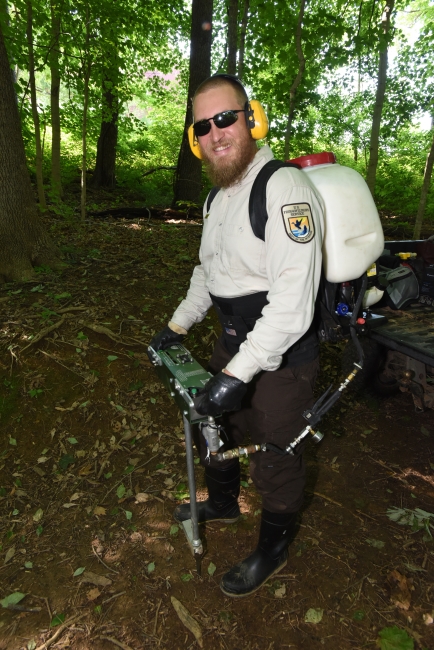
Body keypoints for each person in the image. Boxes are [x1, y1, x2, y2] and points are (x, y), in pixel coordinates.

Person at [149, 74, 324, 598]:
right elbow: (208, 273)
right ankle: (223, 504)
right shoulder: (215, 198)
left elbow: (292, 306)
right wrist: (177, 324)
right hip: (231, 343)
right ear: (194, 140)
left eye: (225, 118)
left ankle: (273, 549)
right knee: (215, 429)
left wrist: (236, 374)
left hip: (282, 356)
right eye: (202, 126)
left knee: (275, 453)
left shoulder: (284, 187)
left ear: (252, 119)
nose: (216, 133)